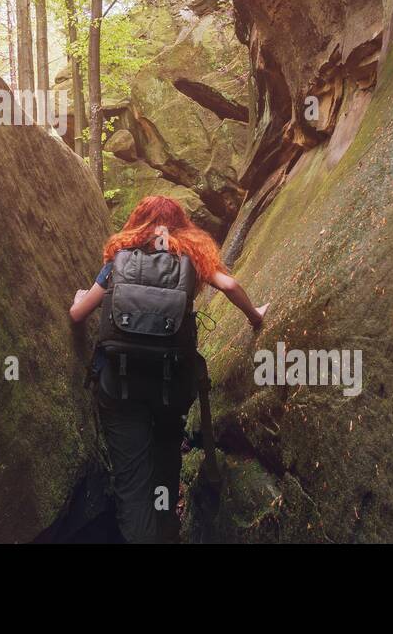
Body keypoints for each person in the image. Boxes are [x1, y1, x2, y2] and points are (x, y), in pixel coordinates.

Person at [68, 196, 267, 543]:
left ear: (137, 221)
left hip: (120, 386)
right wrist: (256, 316)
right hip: (170, 385)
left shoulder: (119, 259)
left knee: (133, 484)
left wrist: (77, 298)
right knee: (164, 468)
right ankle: (167, 532)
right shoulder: (190, 257)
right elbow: (231, 286)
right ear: (181, 224)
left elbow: (78, 315)